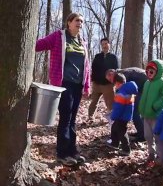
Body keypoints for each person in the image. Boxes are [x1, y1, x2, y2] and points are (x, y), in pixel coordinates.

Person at [35, 13, 90, 166]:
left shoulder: (82, 42)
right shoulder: (58, 37)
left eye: (82, 21)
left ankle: (73, 151)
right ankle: (62, 153)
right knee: (65, 118)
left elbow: (87, 66)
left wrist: (86, 85)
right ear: (69, 22)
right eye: (77, 20)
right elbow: (39, 45)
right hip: (63, 84)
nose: (80, 23)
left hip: (78, 86)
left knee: (73, 119)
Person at [139, 59, 163, 162]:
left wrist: (156, 106)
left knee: (157, 136)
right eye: (147, 72)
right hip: (146, 114)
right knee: (147, 136)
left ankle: (159, 155)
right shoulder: (147, 82)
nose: (149, 74)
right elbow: (144, 96)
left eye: (151, 71)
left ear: (158, 71)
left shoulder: (162, 83)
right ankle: (151, 153)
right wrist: (141, 109)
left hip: (156, 115)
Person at [105, 67, 147, 142]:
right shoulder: (122, 73)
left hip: (143, 87)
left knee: (135, 112)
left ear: (112, 74)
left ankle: (142, 135)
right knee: (137, 111)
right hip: (141, 87)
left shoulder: (122, 75)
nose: (112, 82)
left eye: (110, 79)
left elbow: (125, 89)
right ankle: (141, 132)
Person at [107, 73, 138, 156]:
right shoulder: (128, 91)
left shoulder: (121, 93)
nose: (115, 86)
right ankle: (114, 143)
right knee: (114, 128)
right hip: (125, 115)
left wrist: (113, 116)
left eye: (115, 84)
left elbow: (118, 107)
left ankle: (126, 149)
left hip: (121, 116)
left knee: (121, 132)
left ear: (118, 83)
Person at [88, 38, 119, 119]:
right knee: (93, 102)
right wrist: (93, 80)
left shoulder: (113, 57)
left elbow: (116, 70)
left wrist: (113, 82)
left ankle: (112, 119)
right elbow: (93, 68)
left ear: (109, 44)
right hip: (96, 84)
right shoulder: (97, 56)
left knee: (110, 104)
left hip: (108, 85)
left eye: (106, 44)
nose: (104, 46)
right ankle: (90, 117)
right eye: (103, 44)